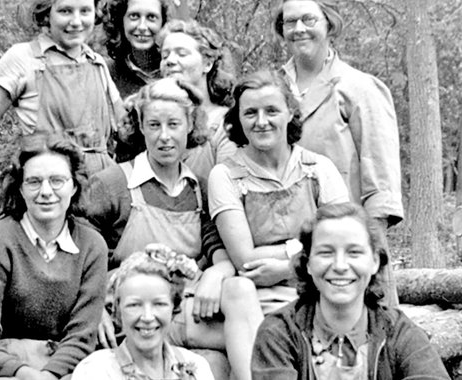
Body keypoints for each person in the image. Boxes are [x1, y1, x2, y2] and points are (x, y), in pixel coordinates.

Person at [84, 78, 262, 380]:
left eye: (174, 124)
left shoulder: (198, 189)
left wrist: (216, 274)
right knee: (258, 339)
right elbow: (81, 256)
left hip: (185, 308)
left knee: (241, 294)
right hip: (133, 313)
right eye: (154, 125)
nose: (164, 137)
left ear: (190, 125)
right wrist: (97, 306)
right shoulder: (112, 184)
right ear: (140, 126)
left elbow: (217, 249)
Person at [274, 0, 403, 305]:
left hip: (348, 250)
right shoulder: (273, 89)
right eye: (290, 22)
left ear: (329, 24)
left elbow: (381, 188)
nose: (298, 29)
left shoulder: (359, 89)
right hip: (286, 255)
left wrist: (368, 255)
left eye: (308, 19)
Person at [0, 134, 108, 380]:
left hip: (67, 369)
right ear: (20, 188)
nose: (46, 192)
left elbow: (82, 336)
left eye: (57, 181)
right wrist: (27, 374)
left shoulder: (92, 246)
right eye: (33, 181)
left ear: (74, 186)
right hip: (8, 370)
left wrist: (51, 374)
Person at [252, 203, 449, 379]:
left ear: (375, 262)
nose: (340, 265)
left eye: (354, 252)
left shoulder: (399, 333)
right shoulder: (279, 333)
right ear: (308, 264)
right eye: (326, 252)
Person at [209, 70, 350, 316]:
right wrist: (312, 247)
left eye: (271, 111)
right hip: (259, 303)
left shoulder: (319, 169)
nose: (261, 121)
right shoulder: (225, 176)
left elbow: (343, 243)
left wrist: (289, 267)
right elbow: (246, 259)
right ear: (238, 118)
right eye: (250, 113)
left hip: (320, 292)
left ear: (290, 112)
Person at [0, 0, 123, 180]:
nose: (77, 21)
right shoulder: (23, 58)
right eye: (65, 11)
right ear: (46, 13)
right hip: (49, 190)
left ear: (95, 13)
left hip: (100, 188)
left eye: (85, 11)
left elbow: (126, 130)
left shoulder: (97, 63)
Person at [73, 244, 215, 380]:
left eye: (159, 304)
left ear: (174, 308)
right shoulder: (95, 371)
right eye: (134, 305)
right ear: (118, 311)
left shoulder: (197, 368)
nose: (147, 317)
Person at [155, 20, 236, 181]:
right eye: (165, 56)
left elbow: (230, 187)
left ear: (207, 63)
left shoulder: (225, 124)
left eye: (181, 54)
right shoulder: (153, 120)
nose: (170, 61)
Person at [101, 0, 170, 98]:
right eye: (134, 16)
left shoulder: (176, 68)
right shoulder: (106, 72)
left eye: (151, 17)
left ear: (163, 23)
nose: (142, 27)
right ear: (121, 21)